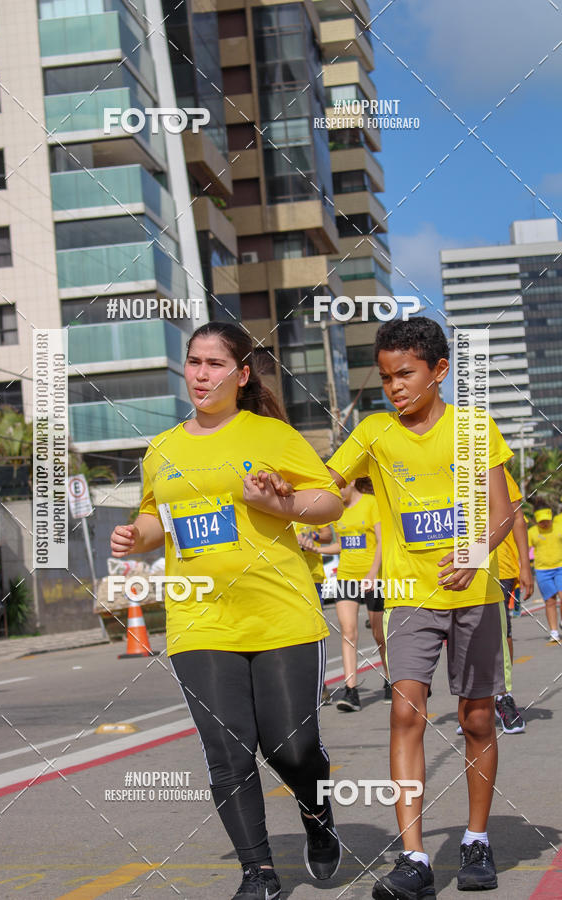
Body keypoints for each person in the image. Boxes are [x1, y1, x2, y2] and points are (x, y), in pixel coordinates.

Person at [110, 322, 343, 900]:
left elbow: (329, 501)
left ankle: (317, 815)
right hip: (199, 620)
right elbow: (154, 521)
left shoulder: (271, 435)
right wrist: (130, 537)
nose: (201, 374)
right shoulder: (164, 448)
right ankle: (258, 873)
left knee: (290, 748)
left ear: (241, 376)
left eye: (215, 364)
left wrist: (278, 501)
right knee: (228, 750)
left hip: (280, 613)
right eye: (194, 362)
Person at [326, 317, 514, 899]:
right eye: (385, 378)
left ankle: (476, 841)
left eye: (405, 374)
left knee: (476, 717)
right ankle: (414, 858)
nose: (394, 387)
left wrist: (477, 551)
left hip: (475, 595)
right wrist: (281, 492)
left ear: (439, 370)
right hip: (409, 598)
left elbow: (503, 512)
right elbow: (328, 486)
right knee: (405, 713)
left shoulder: (473, 427)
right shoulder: (375, 433)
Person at [318, 477, 388, 710]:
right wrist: (316, 548)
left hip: (372, 578)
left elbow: (381, 541)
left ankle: (390, 680)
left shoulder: (370, 503)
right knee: (348, 631)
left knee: (379, 634)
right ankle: (351, 692)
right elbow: (343, 545)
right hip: (346, 577)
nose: (337, 491)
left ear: (352, 482)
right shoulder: (338, 512)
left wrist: (372, 573)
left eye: (339, 486)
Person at [493, 468, 533, 732]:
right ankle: (475, 703)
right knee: (466, 636)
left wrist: (525, 566)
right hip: (460, 563)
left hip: (501, 566)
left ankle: (503, 695)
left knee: (501, 632)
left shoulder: (496, 469)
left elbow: (517, 517)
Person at [293, 522, 334, 704]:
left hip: (312, 577)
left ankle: (320, 683)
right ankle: (297, 684)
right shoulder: (273, 501)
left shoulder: (309, 496)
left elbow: (327, 536)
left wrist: (312, 538)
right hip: (285, 576)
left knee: (313, 630)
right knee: (291, 632)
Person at [527, 503, 562, 643]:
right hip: (542, 571)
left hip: (560, 567)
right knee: (550, 601)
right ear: (536, 520)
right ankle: (554, 631)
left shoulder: (559, 527)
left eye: (546, 520)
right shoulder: (532, 532)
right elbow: (525, 550)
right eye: (541, 521)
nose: (544, 523)